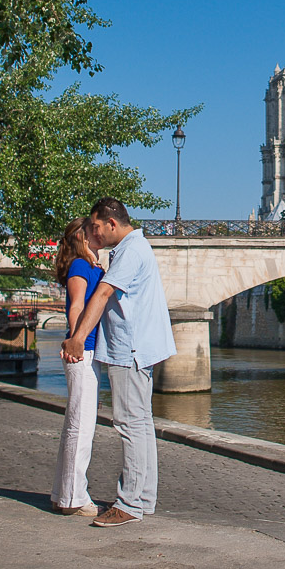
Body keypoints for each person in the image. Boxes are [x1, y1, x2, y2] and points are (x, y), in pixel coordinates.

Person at [62, 197, 177, 527]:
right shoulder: (137, 248)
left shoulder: (129, 251)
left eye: (96, 226)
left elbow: (101, 295)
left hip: (131, 349)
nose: (94, 233)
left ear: (112, 223)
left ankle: (129, 504)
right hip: (139, 348)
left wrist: (77, 338)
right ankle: (144, 498)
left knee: (130, 425)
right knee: (141, 424)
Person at [50, 217, 106, 517]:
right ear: (82, 237)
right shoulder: (80, 266)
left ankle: (63, 493)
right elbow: (76, 305)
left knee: (76, 424)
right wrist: (77, 341)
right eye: (93, 230)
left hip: (85, 348)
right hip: (83, 349)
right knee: (81, 426)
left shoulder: (87, 266)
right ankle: (74, 497)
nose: (99, 234)